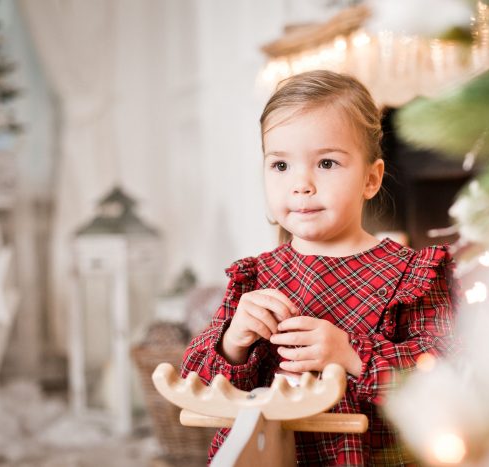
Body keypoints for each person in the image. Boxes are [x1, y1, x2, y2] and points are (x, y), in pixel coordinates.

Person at [181, 70, 460, 466]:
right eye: (280, 166)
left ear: (371, 178)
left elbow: (447, 378)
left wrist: (351, 354)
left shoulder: (413, 275)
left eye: (326, 163)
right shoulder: (254, 280)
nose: (302, 184)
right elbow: (199, 383)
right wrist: (234, 342)